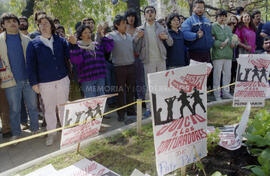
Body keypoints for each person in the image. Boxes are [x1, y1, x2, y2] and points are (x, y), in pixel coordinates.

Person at [26, 15, 70, 146]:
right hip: (45, 82)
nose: (43, 26)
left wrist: (72, 44)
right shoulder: (33, 44)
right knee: (49, 109)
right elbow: (30, 65)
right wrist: (33, 82)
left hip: (62, 79)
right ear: (38, 27)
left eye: (46, 23)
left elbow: (69, 55)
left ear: (51, 25)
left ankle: (66, 132)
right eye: (40, 24)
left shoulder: (60, 41)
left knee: (63, 107)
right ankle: (52, 133)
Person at [0, 13, 39, 141]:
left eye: (14, 21)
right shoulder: (0, 41)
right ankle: (16, 133)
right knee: (14, 109)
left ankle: (35, 129)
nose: (12, 23)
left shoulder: (27, 40)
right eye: (8, 21)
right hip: (10, 81)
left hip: (28, 80)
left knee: (33, 106)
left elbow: (34, 60)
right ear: (3, 25)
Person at [134, 5, 173, 117]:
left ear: (155, 14)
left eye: (152, 11)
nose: (150, 13)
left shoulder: (162, 28)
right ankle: (149, 108)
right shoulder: (140, 29)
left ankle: (162, 106)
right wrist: (137, 37)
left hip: (161, 60)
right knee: (149, 86)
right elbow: (135, 48)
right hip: (148, 61)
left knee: (162, 84)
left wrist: (165, 38)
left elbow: (171, 43)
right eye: (147, 12)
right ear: (145, 15)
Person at [69, 25, 113, 98]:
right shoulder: (77, 46)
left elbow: (109, 47)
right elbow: (76, 60)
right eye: (85, 33)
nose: (88, 34)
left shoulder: (96, 45)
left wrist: (101, 34)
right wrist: (74, 45)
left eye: (89, 32)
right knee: (91, 102)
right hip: (87, 79)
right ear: (80, 36)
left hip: (100, 77)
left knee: (101, 100)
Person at [107, 15, 137, 121]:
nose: (126, 25)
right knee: (120, 92)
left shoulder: (129, 36)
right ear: (116, 25)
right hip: (119, 68)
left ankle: (131, 111)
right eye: (123, 23)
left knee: (131, 91)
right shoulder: (111, 36)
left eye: (126, 23)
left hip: (131, 66)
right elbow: (104, 46)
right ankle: (121, 114)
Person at [211, 10, 234, 101]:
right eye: (220, 16)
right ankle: (217, 95)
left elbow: (232, 38)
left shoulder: (228, 28)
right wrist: (220, 44)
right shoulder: (213, 26)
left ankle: (226, 93)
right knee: (217, 75)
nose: (223, 18)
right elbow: (212, 40)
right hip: (218, 55)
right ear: (216, 17)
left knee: (227, 75)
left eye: (224, 16)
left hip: (228, 54)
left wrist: (233, 43)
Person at [125, 8, 145, 100]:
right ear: (126, 18)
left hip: (138, 58)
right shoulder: (123, 30)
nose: (131, 18)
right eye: (129, 16)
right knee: (128, 82)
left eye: (133, 16)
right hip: (126, 60)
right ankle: (130, 103)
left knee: (140, 81)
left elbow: (142, 46)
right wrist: (136, 37)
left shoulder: (139, 29)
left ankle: (141, 100)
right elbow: (128, 44)